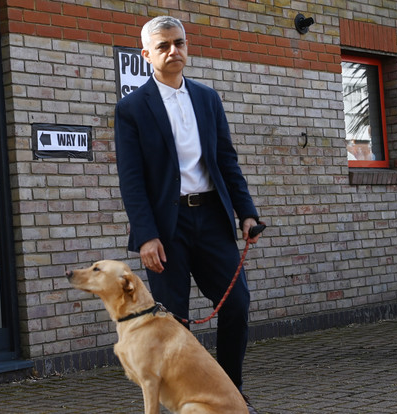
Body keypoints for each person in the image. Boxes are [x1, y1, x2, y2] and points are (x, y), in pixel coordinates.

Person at [114, 15, 262, 412]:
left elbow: (227, 161)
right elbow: (131, 180)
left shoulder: (208, 98)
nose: (173, 51)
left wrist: (246, 213)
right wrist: (146, 235)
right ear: (146, 54)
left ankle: (230, 395)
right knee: (172, 323)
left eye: (178, 42)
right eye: (163, 46)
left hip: (212, 219)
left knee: (237, 306)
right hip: (166, 228)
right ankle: (182, 402)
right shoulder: (131, 109)